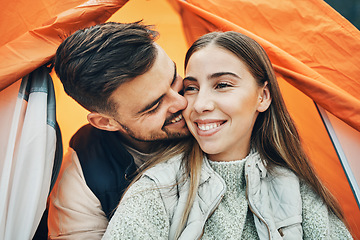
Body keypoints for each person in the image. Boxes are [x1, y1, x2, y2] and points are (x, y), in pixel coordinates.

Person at [102, 31, 353, 239]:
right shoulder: (156, 192)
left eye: (222, 85)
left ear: (262, 97)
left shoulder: (297, 190)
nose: (200, 104)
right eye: (191, 88)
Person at [47, 21, 190, 240]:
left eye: (174, 79)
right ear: (106, 122)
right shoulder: (82, 184)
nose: (181, 103)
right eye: (153, 106)